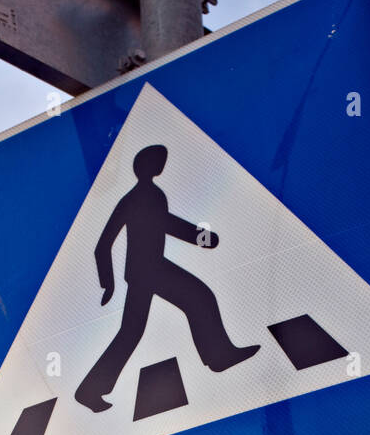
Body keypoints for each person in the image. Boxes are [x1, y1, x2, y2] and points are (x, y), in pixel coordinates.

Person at [75, 144, 259, 411]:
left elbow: (159, 226)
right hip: (148, 270)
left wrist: (111, 282)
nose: (162, 164)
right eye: (159, 160)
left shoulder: (142, 196)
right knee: (198, 297)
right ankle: (219, 356)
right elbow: (107, 243)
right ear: (148, 166)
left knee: (133, 330)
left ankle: (89, 390)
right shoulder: (144, 196)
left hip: (146, 269)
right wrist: (107, 283)